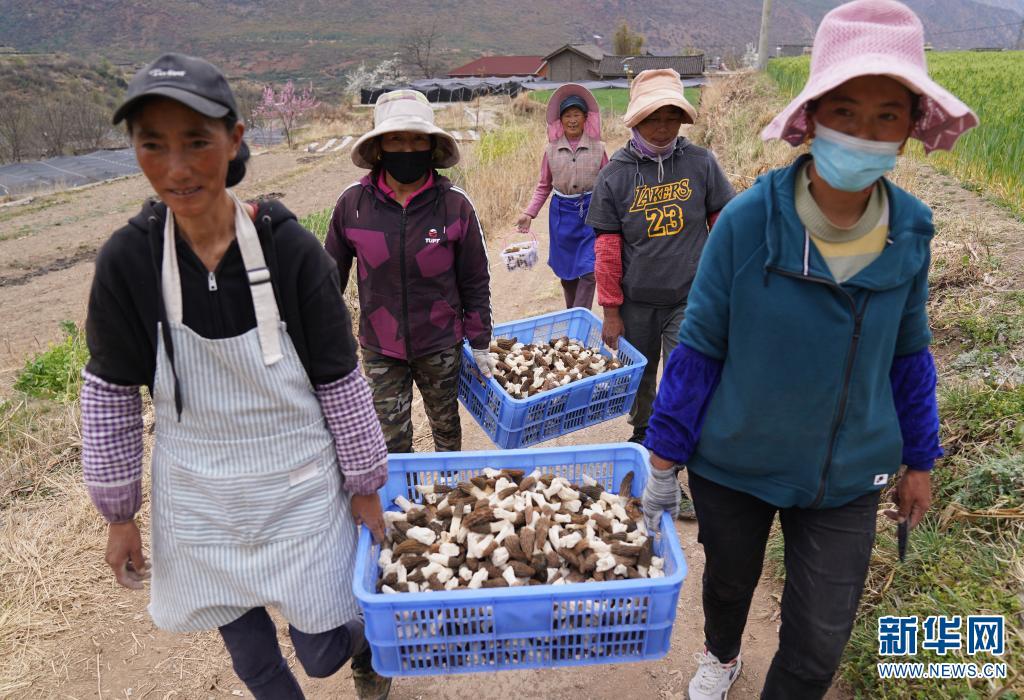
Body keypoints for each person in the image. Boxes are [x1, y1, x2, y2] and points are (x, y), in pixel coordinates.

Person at [640, 2, 977, 698]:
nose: (864, 133)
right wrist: (665, 459)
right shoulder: (747, 222)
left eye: (888, 116)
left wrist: (920, 458)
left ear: (911, 130)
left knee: (819, 644)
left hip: (846, 476)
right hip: (735, 462)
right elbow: (700, 346)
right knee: (728, 582)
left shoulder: (910, 231)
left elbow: (910, 355)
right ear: (814, 116)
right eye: (845, 111)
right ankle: (723, 653)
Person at [81, 54, 393, 700]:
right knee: (251, 660)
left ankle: (367, 642)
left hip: (296, 491)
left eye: (197, 142)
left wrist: (364, 485)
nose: (177, 167)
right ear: (134, 151)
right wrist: (119, 514)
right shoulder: (129, 261)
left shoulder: (287, 249)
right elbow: (110, 394)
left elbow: (339, 378)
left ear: (234, 141)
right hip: (201, 502)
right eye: (152, 145)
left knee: (321, 648)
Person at [586, 68, 735, 517]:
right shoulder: (615, 175)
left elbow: (722, 224)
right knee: (642, 381)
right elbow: (608, 250)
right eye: (654, 117)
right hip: (636, 301)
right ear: (635, 121)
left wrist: (730, 285)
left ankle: (681, 468)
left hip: (690, 296)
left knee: (685, 378)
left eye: (672, 116)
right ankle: (643, 445)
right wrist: (611, 310)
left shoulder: (701, 163)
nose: (664, 126)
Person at [325, 90, 492, 455]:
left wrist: (479, 342)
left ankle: (451, 496)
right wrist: (324, 342)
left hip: (440, 343)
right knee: (391, 441)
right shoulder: (353, 206)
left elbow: (475, 280)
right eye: (396, 139)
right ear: (380, 147)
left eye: (417, 139)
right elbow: (327, 282)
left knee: (446, 428)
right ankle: (406, 504)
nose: (407, 147)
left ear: (432, 147)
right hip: (380, 345)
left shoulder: (454, 205)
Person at [515, 83, 608, 309]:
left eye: (577, 115)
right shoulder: (551, 150)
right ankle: (572, 317)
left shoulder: (599, 148)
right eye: (568, 115)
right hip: (561, 215)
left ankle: (578, 316)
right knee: (567, 275)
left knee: (589, 271)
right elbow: (543, 185)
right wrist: (529, 213)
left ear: (586, 118)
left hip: (591, 213)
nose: (572, 120)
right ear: (561, 120)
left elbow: (609, 183)